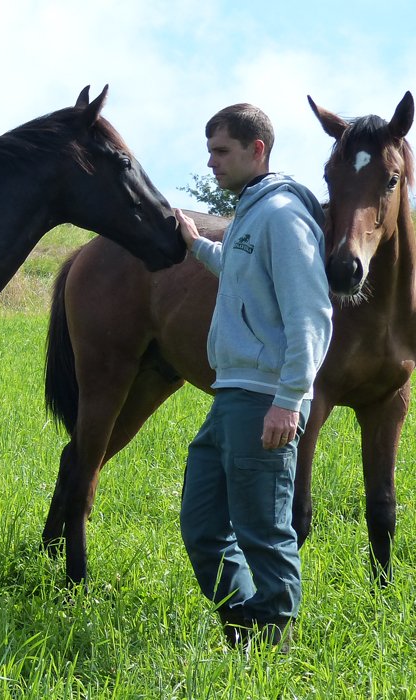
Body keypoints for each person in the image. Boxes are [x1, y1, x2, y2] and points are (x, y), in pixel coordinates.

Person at [173, 103, 333, 651]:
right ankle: (246, 632)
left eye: (221, 151)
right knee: (202, 525)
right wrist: (196, 245)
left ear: (256, 149)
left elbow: (311, 312)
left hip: (265, 397)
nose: (211, 162)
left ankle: (273, 650)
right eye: (210, 151)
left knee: (263, 533)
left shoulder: (283, 216)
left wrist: (289, 399)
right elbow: (241, 269)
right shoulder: (252, 211)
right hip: (231, 393)